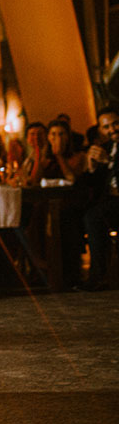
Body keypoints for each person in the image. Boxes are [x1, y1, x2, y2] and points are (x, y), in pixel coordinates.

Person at [79, 105, 119, 291]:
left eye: (115, 124)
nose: (112, 129)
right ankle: (96, 275)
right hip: (110, 202)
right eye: (106, 127)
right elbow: (93, 183)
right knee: (87, 215)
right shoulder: (106, 148)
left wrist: (108, 163)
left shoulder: (108, 154)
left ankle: (98, 276)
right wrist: (92, 168)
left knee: (94, 216)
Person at [18, 122, 49, 187]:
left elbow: (35, 180)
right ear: (27, 139)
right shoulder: (29, 156)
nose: (36, 137)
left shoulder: (49, 154)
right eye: (32, 134)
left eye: (40, 134)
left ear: (46, 136)